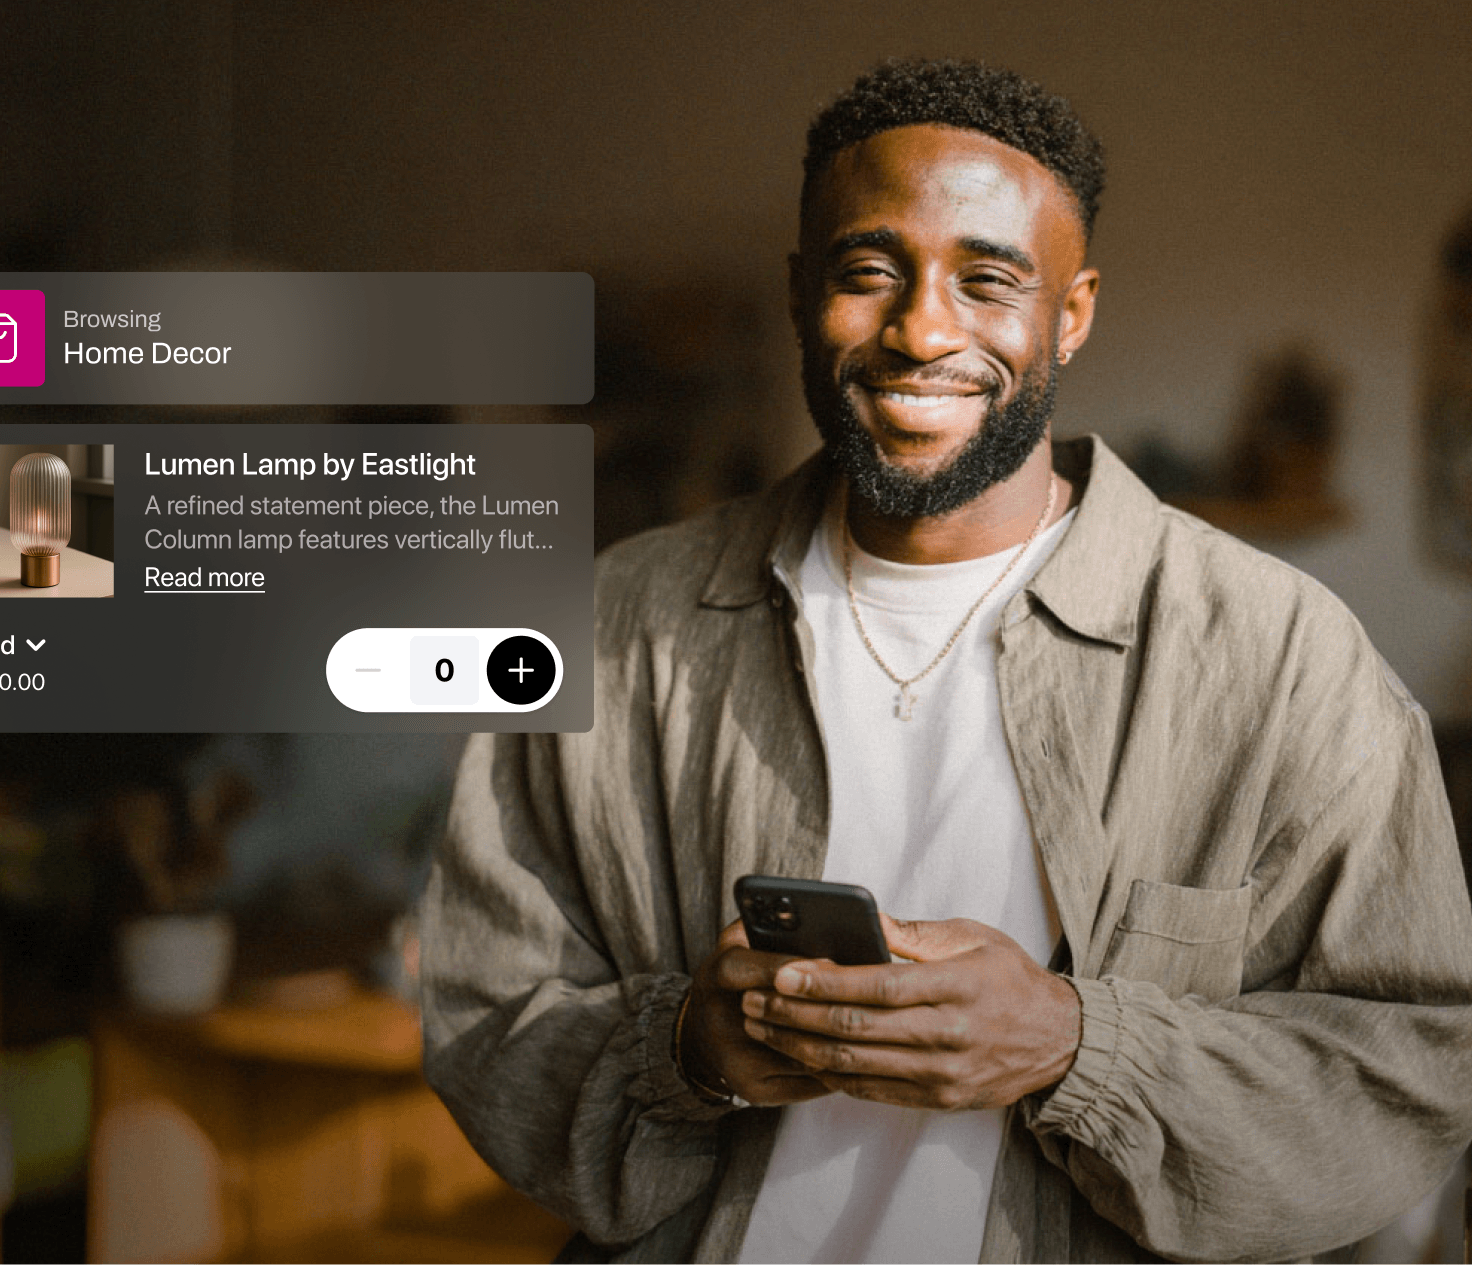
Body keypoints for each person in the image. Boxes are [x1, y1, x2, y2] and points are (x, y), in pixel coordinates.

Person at [420, 59, 1472, 1265]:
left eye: (988, 280)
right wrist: (686, 1050)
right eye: (869, 272)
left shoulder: (1282, 658)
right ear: (801, 291)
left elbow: (1413, 1069)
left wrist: (1077, 1045)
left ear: (1071, 313)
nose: (923, 330)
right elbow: (484, 1008)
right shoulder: (614, 623)